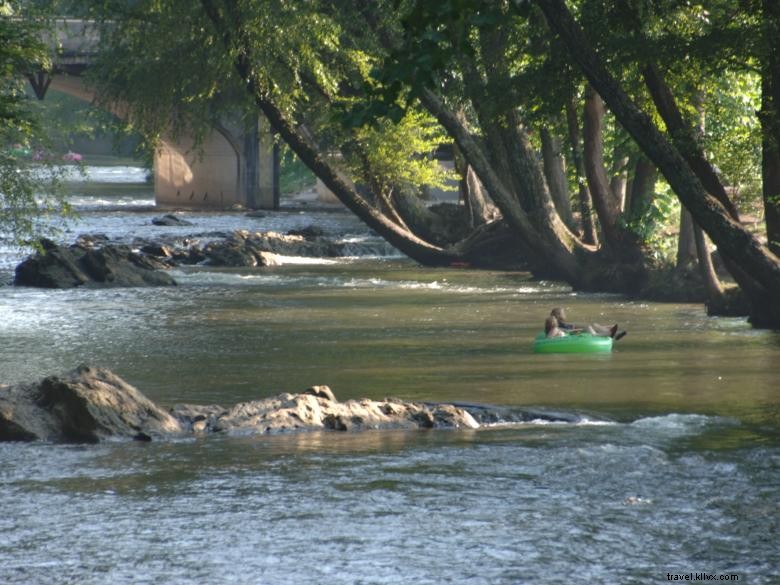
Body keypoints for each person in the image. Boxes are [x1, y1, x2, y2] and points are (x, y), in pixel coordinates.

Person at [550, 307, 626, 340]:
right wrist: (576, 330)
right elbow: (560, 329)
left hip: (574, 329)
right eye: (563, 313)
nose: (565, 315)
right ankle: (610, 333)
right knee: (588, 327)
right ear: (558, 315)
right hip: (573, 332)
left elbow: (568, 326)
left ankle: (613, 332)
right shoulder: (555, 323)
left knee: (594, 325)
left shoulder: (559, 322)